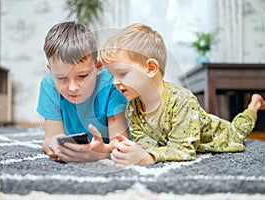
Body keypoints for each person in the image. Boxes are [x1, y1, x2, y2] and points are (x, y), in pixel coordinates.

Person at [99, 23, 265, 166]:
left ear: (151, 69)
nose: (115, 82)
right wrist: (132, 150)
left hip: (222, 135)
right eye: (112, 75)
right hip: (187, 131)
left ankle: (254, 105)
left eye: (121, 73)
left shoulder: (182, 100)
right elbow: (146, 143)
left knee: (240, 127)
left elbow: (184, 150)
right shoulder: (132, 108)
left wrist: (148, 157)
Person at [37, 21, 129, 162]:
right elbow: (51, 138)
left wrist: (100, 153)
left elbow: (121, 142)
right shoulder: (49, 84)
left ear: (98, 66)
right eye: (61, 78)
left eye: (82, 76)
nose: (73, 87)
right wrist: (52, 147)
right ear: (50, 71)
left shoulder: (112, 83)